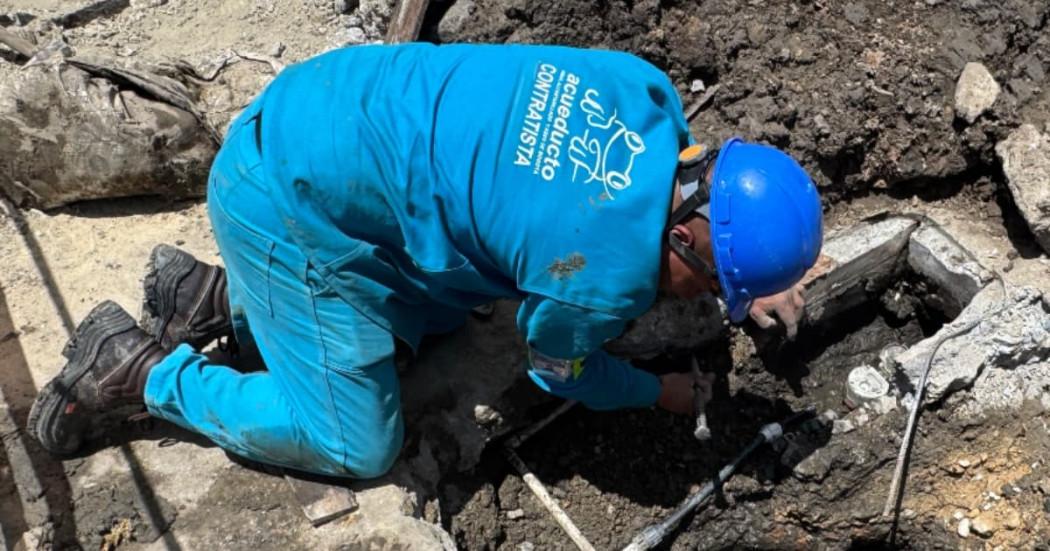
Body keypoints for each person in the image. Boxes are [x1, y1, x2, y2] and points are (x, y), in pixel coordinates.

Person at [28, 43, 822, 479]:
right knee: (355, 442)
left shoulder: (645, 96)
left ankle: (214, 299)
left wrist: (742, 276)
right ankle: (141, 372)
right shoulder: (600, 278)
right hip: (279, 194)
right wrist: (659, 393)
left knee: (440, 312)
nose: (708, 302)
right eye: (715, 286)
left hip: (322, 106)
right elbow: (558, 370)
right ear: (686, 238)